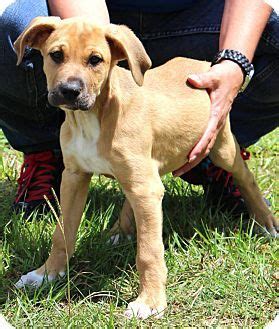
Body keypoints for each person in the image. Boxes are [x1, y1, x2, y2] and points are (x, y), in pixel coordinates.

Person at [0, 0, 278, 215]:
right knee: (12, 27)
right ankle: (47, 151)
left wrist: (234, 63)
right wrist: (96, 48)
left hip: (194, 19)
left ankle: (193, 143)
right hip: (94, 16)